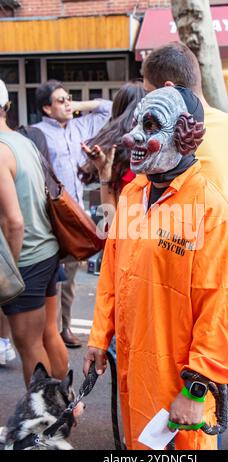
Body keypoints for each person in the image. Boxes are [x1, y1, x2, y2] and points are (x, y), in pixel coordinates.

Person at [83, 86, 228, 450]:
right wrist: (98, 336)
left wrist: (197, 387)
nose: (132, 136)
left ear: (185, 137)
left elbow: (220, 308)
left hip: (179, 387)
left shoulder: (211, 211)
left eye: (152, 124)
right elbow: (111, 271)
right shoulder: (132, 194)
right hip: (132, 369)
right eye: (137, 122)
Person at [141, 42, 228, 450]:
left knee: (191, 402)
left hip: (210, 299)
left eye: (149, 90)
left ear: (167, 88)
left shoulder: (176, 143)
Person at [34, 80, 112, 348]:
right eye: (60, 100)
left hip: (76, 217)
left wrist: (76, 105)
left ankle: (64, 327)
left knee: (69, 280)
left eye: (69, 98)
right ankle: (49, 331)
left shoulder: (81, 126)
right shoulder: (37, 133)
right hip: (50, 216)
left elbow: (108, 109)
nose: (67, 103)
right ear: (46, 108)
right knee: (50, 278)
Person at [0, 79, 68, 387]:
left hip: (24, 258)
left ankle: (43, 424)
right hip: (48, 250)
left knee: (29, 347)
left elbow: (13, 222)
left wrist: (8, 274)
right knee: (48, 333)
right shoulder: (22, 140)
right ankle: (66, 408)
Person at [79, 81, 146, 225]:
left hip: (121, 233)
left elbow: (112, 221)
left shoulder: (113, 150)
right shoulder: (153, 152)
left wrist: (105, 177)